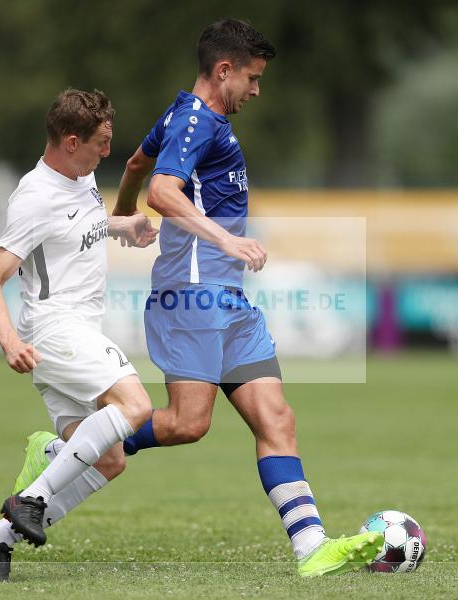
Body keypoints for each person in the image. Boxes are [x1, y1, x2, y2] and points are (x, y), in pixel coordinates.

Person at [113, 19, 383, 577]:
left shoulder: (186, 116)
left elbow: (138, 166)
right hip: (191, 292)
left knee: (277, 417)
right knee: (189, 424)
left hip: (228, 297)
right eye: (253, 79)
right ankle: (66, 450)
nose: (257, 91)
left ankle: (312, 549)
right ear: (224, 70)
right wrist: (226, 239)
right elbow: (162, 189)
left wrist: (122, 214)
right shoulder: (194, 120)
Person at [0, 88, 158, 582]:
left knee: (110, 460)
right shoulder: (35, 198)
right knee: (135, 407)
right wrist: (9, 342)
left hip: (75, 330)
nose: (107, 152)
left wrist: (122, 226)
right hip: (56, 329)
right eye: (100, 143)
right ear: (71, 142)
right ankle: (31, 496)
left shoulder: (82, 175)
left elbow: (80, 227)